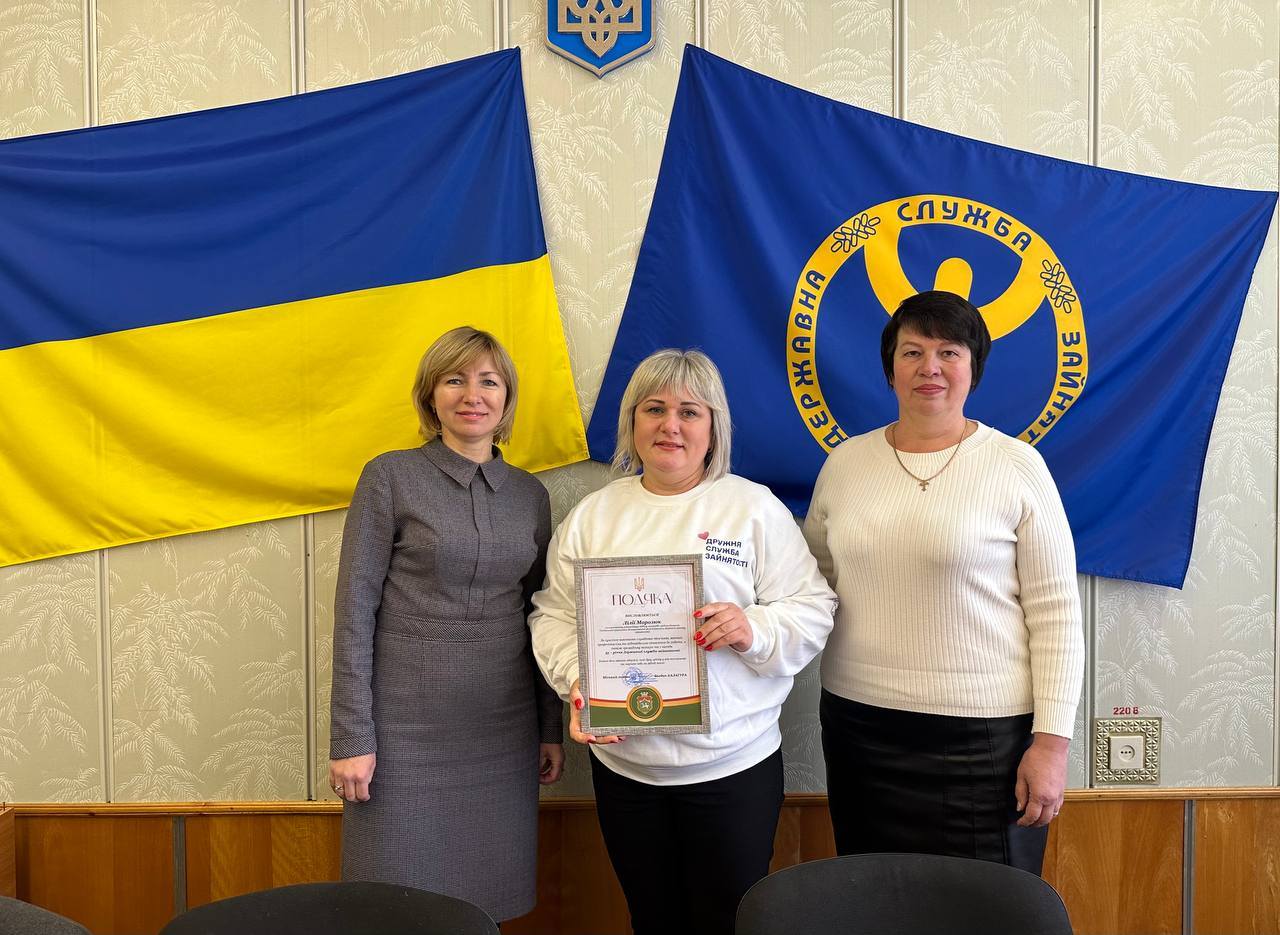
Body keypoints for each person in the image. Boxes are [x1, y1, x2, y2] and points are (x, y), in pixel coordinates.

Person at [530, 348, 836, 935]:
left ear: (713, 427)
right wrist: (579, 680)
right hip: (626, 771)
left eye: (689, 412)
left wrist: (753, 629)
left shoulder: (752, 508)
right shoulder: (594, 517)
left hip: (733, 767)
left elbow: (813, 606)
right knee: (651, 919)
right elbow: (553, 615)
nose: (670, 425)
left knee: (730, 921)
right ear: (632, 421)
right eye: (655, 408)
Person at [803, 290, 1085, 875]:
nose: (929, 367)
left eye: (949, 352)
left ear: (973, 368)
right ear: (890, 369)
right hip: (861, 729)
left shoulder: (1017, 466)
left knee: (986, 905)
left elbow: (1056, 614)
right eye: (912, 352)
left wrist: (1052, 744)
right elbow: (810, 590)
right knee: (876, 895)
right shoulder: (844, 465)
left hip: (985, 740)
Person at [328, 326, 563, 922]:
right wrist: (352, 738)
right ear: (430, 395)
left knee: (487, 900)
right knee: (394, 902)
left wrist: (549, 728)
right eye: (455, 380)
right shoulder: (389, 477)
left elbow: (542, 615)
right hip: (401, 731)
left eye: (489, 381)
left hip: (502, 729)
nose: (472, 395)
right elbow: (354, 611)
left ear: (507, 398)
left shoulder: (530, 496)